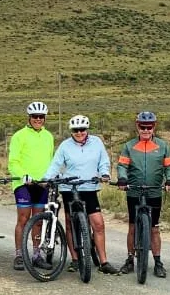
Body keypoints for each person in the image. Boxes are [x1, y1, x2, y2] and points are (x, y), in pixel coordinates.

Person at [41, 115, 120, 275]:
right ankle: (75, 259)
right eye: (76, 130)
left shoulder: (96, 142)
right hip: (69, 188)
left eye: (82, 129)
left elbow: (103, 160)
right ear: (71, 131)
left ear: (87, 129)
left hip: (90, 187)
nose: (79, 133)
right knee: (70, 223)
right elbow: (55, 164)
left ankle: (104, 261)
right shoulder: (65, 146)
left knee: (98, 224)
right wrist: (46, 178)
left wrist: (104, 174)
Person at [115, 111, 170, 278]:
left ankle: (158, 262)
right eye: (142, 127)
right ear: (137, 126)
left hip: (154, 190)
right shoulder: (129, 146)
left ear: (154, 127)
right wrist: (122, 178)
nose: (145, 130)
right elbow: (122, 166)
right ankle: (130, 259)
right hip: (134, 190)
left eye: (149, 127)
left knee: (154, 229)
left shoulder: (163, 146)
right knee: (132, 226)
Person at [9, 101, 56, 271]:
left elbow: (51, 161)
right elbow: (13, 161)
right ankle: (19, 254)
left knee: (38, 221)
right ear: (29, 117)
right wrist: (23, 175)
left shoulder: (48, 136)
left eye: (41, 117)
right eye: (35, 117)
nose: (38, 119)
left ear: (44, 118)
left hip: (41, 183)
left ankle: (36, 255)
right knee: (23, 219)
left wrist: (52, 176)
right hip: (23, 183)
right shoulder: (19, 136)